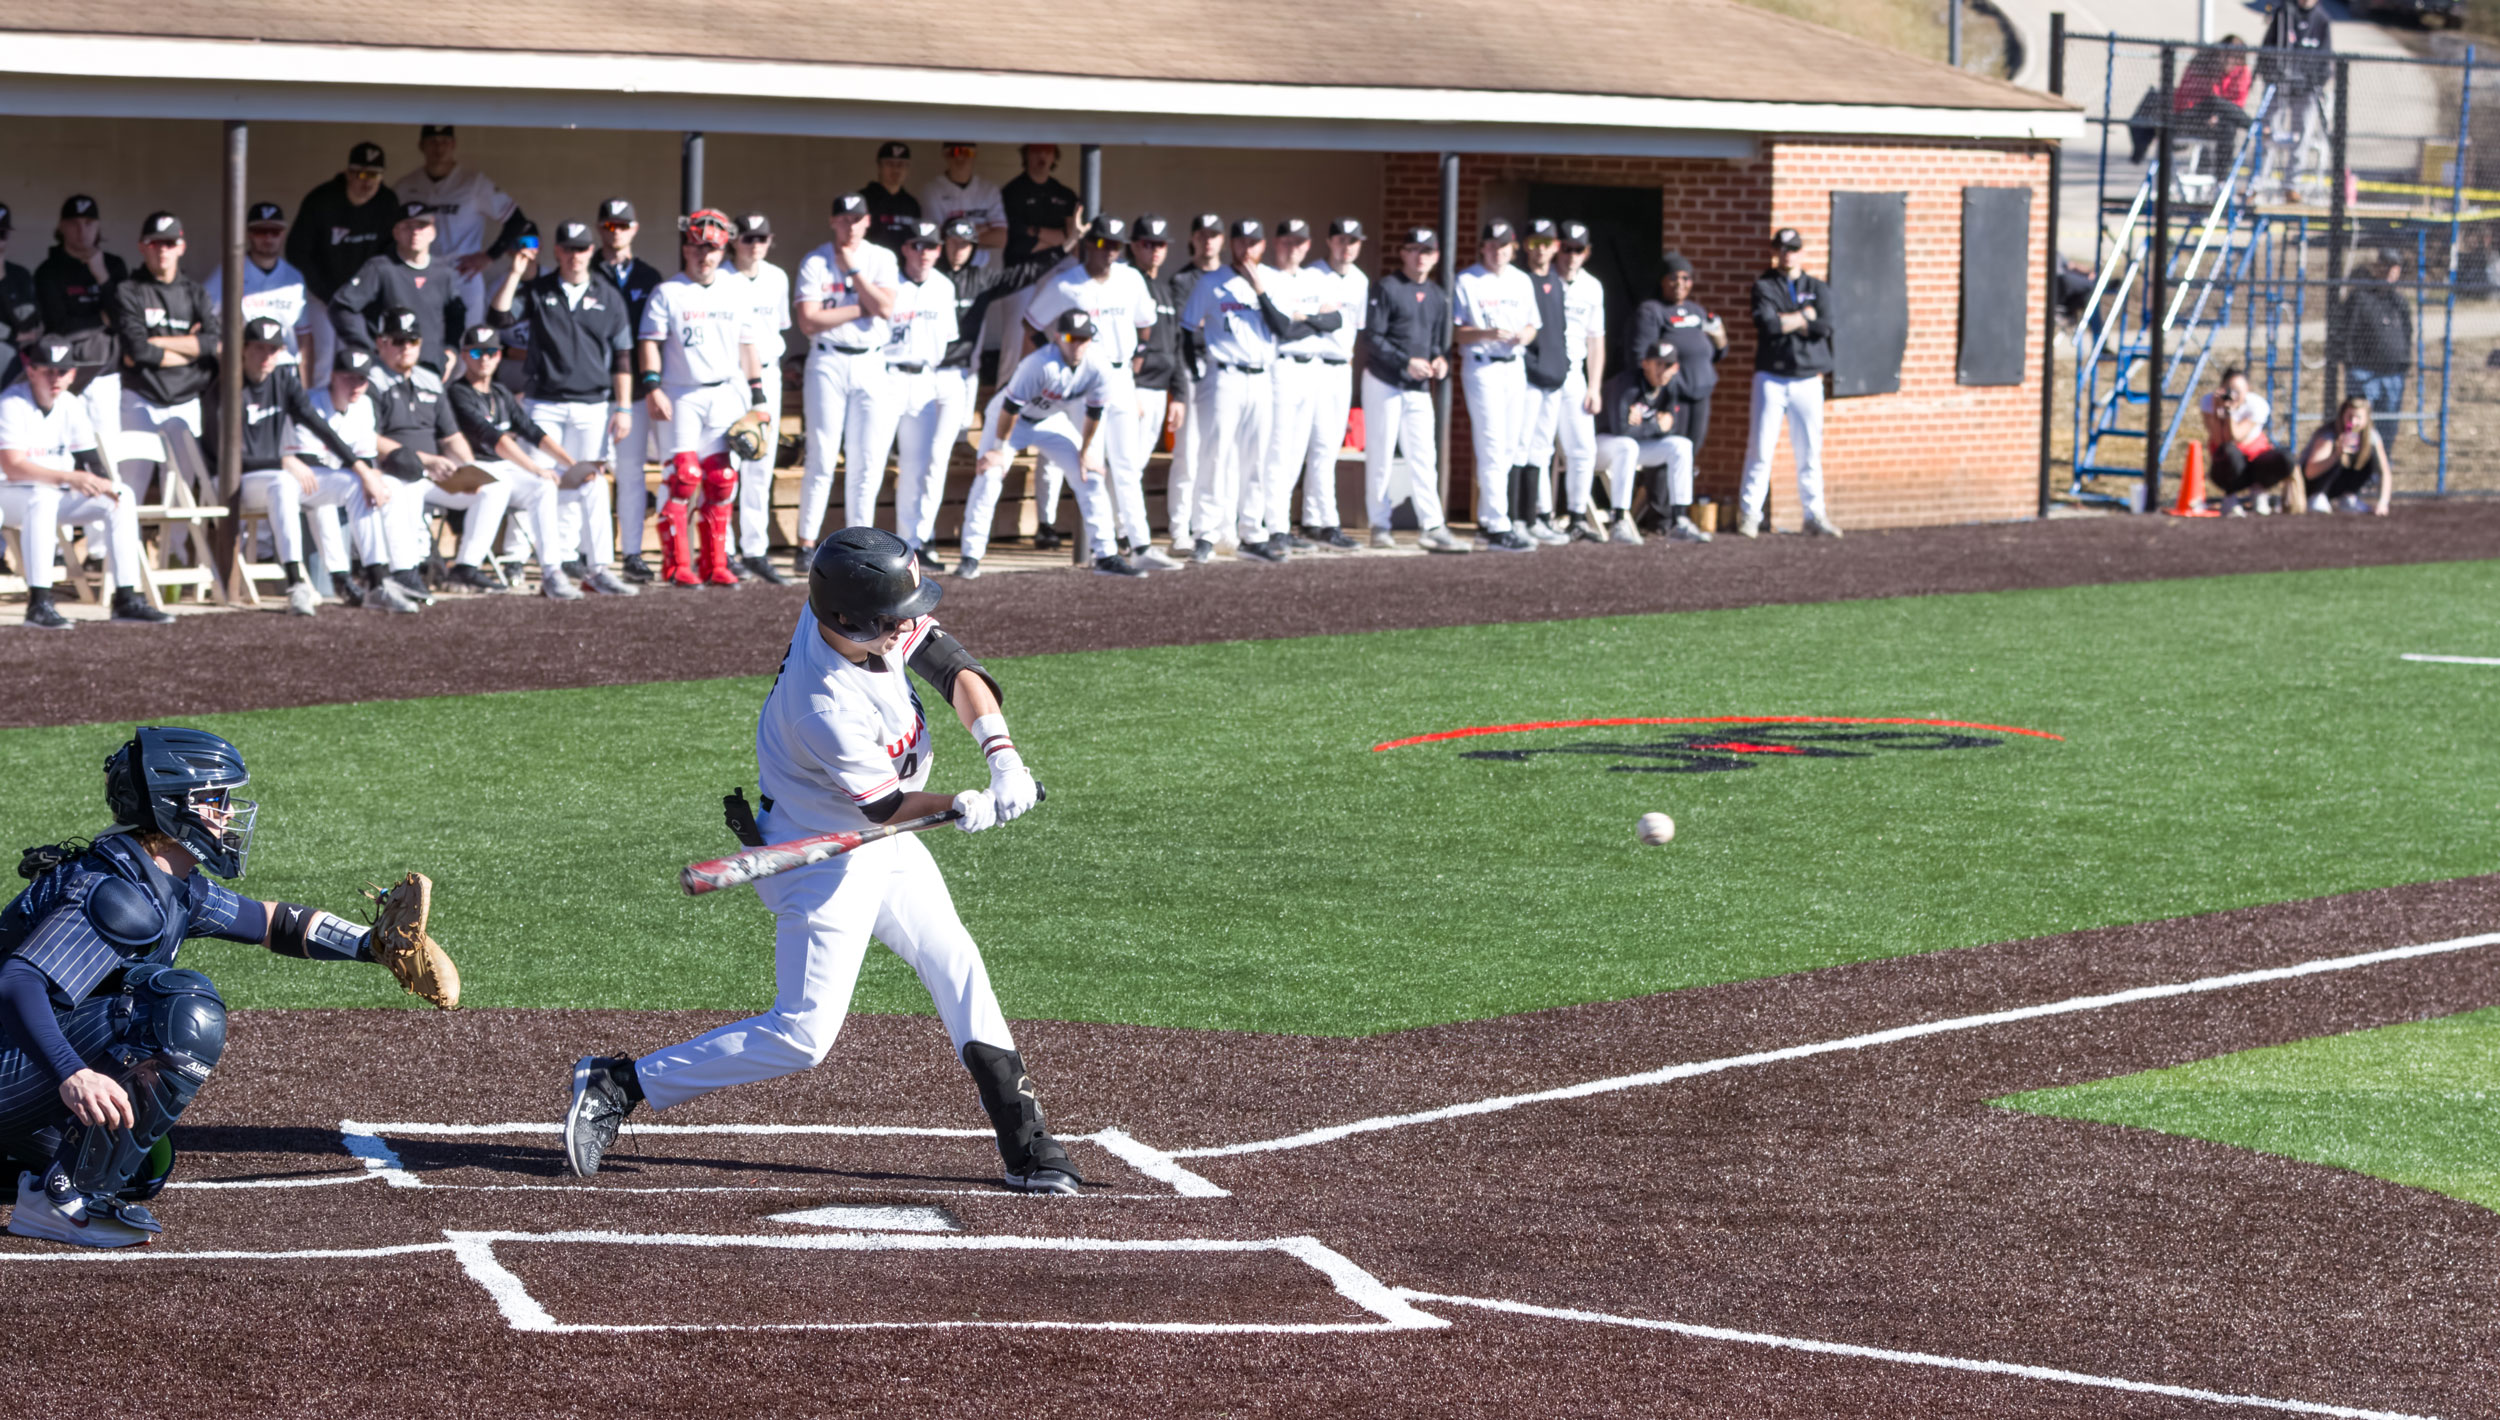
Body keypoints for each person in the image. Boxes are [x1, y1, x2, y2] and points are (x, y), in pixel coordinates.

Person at [561, 529, 1079, 1196]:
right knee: (803, 1034)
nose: (907, 626)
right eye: (894, 619)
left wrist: (1001, 754)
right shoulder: (823, 702)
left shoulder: (860, 615)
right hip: (823, 858)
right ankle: (620, 1082)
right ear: (849, 620)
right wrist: (964, 805)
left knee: (956, 963)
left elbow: (951, 664)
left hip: (876, 840)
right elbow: (887, 808)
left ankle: (1028, 1145)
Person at [0, 728, 450, 1247]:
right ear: (174, 807)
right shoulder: (116, 893)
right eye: (216, 799)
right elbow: (18, 981)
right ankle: (61, 1202)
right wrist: (73, 1074)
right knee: (180, 1007)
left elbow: (269, 922)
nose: (229, 813)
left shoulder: (168, 880)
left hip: (18, 1065)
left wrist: (370, 945)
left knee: (142, 1165)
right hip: (19, 1059)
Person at [488, 219, 640, 597]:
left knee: (591, 483)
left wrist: (624, 408)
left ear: (592, 251)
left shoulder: (608, 294)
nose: (575, 256)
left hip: (593, 404)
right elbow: (499, 318)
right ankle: (544, 567)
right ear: (557, 251)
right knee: (542, 480)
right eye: (568, 248)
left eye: (582, 248)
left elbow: (623, 357)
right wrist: (515, 273)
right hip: (544, 403)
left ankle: (598, 567)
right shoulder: (538, 290)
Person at [1022, 216, 1170, 566]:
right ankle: (1099, 548)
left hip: (1121, 374)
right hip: (1087, 379)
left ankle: (1141, 545)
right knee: (1092, 463)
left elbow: (1146, 324)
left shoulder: (1131, 278)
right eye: (1103, 243)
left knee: (1127, 463)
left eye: (1116, 245)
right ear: (1090, 244)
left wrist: (1137, 362)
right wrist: (1059, 362)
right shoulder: (1066, 285)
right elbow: (1030, 323)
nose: (1110, 252)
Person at [641, 209, 771, 589]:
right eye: (697, 246)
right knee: (682, 477)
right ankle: (676, 564)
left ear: (723, 249)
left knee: (721, 478)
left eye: (712, 248)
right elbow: (649, 341)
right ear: (686, 247)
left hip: (725, 391)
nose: (705, 255)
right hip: (681, 393)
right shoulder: (668, 292)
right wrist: (653, 387)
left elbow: (748, 346)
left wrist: (757, 397)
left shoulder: (735, 292)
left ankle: (715, 563)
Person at [0, 338, 170, 628]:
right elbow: (12, 466)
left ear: (73, 374)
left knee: (121, 496)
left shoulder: (70, 403)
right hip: (12, 494)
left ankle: (126, 598)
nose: (56, 378)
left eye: (63, 371)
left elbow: (90, 459)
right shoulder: (12, 402)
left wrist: (102, 482)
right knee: (41, 499)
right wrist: (69, 477)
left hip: (55, 492)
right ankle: (39, 603)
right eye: (49, 371)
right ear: (32, 371)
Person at [957, 311, 1133, 579]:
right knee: (990, 474)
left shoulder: (1098, 365)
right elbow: (1010, 407)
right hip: (1009, 421)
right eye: (1071, 337)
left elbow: (1095, 412)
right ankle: (970, 556)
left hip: (1050, 420)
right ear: (1057, 337)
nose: (1077, 344)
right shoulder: (1039, 363)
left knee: (1091, 475)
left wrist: (1086, 452)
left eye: (1084, 338)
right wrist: (998, 448)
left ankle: (1106, 554)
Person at [230, 316, 379, 615]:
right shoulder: (229, 385)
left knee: (353, 482)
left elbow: (318, 425)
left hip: (277, 475)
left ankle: (378, 580)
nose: (267, 356)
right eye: (259, 348)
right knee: (285, 481)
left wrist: (362, 469)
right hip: (239, 480)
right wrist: (283, 460)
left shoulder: (284, 380)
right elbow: (223, 455)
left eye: (273, 350)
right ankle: (296, 583)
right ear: (244, 349)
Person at [794, 193, 900, 562]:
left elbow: (886, 308)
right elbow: (808, 320)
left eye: (857, 219)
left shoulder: (881, 257)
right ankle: (806, 543)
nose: (850, 225)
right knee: (822, 455)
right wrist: (861, 308)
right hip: (828, 360)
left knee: (866, 459)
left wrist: (854, 272)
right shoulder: (816, 261)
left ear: (867, 221)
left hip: (871, 361)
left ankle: (861, 545)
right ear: (832, 220)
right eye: (843, 218)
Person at [368, 305, 497, 598]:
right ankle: (406, 571)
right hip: (393, 470)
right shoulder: (371, 379)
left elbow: (451, 436)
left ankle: (466, 567)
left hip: (435, 473)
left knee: (493, 488)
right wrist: (425, 460)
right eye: (398, 340)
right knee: (407, 483)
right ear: (381, 342)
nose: (406, 348)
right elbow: (368, 437)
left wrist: (469, 467)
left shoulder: (429, 379)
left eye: (411, 341)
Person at [284, 347, 424, 612]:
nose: (357, 385)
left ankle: (396, 573)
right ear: (334, 376)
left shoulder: (365, 405)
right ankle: (341, 577)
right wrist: (365, 476)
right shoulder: (312, 400)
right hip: (300, 475)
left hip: (339, 476)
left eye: (362, 379)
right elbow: (310, 461)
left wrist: (371, 478)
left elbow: (367, 458)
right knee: (339, 492)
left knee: (386, 487)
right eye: (349, 377)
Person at [857, 220, 959, 572]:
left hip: (925, 378)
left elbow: (946, 339)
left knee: (918, 467)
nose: (924, 253)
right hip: (888, 375)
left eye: (931, 246)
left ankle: (912, 546)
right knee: (872, 462)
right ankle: (860, 547)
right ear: (905, 249)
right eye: (917, 245)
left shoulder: (944, 286)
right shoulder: (890, 284)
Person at [446, 325, 577, 598]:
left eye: (491, 352)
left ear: (499, 355)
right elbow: (493, 438)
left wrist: (570, 465)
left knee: (543, 486)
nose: (484, 359)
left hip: (501, 467)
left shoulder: (500, 392)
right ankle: (466, 565)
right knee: (508, 483)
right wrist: (536, 467)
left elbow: (532, 430)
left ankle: (552, 570)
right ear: (464, 355)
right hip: (469, 466)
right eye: (476, 352)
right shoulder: (458, 392)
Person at [1360, 227, 1467, 554]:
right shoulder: (1387, 288)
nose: (1421, 257)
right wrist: (1405, 361)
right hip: (1384, 381)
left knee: (1424, 456)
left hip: (1419, 387)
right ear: (1403, 253)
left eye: (1428, 251)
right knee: (1381, 454)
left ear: (1436, 256)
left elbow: (1438, 343)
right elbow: (1373, 339)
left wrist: (1440, 361)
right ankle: (1379, 524)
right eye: (1415, 250)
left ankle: (1432, 525)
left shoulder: (1438, 296)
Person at [1178, 219, 1279, 563]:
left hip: (1262, 375)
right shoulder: (1210, 282)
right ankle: (1205, 534)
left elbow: (1285, 327)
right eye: (1241, 242)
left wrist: (1260, 288)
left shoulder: (1273, 280)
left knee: (1256, 458)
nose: (1246, 249)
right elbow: (1186, 330)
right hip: (1225, 374)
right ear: (1232, 244)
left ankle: (1252, 533)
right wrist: (1196, 372)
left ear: (1262, 246)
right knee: (1215, 454)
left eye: (1253, 242)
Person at [1741, 226, 1840, 539]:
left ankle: (1814, 515)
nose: (1787, 254)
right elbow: (1768, 325)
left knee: (1809, 450)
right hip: (1771, 376)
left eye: (1793, 248)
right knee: (1761, 448)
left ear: (1801, 251)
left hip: (1808, 378)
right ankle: (1749, 515)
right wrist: (1803, 317)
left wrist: (1791, 320)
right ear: (1774, 251)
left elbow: (1825, 326)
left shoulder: (1817, 287)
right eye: (1782, 248)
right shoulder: (1764, 285)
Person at [587, 199, 668, 582]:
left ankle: (632, 552)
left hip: (633, 391)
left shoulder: (650, 277)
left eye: (622, 225)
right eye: (608, 225)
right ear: (600, 229)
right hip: (590, 389)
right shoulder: (585, 271)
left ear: (634, 229)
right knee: (591, 473)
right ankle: (590, 554)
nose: (614, 231)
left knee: (632, 474)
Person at [1256, 218, 1345, 559]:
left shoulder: (1315, 278)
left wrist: (1303, 318)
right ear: (1276, 243)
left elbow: (1336, 320)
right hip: (1282, 366)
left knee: (1297, 452)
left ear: (1308, 246)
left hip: (1314, 368)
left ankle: (1283, 524)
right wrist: (1312, 320)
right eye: (1287, 241)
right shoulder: (1266, 276)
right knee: (1278, 451)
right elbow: (1279, 329)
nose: (1292, 247)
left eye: (1299, 242)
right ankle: (1275, 527)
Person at [1454, 218, 1539, 552]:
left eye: (1503, 246)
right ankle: (1497, 523)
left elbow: (1533, 324)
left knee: (1509, 445)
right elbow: (1456, 331)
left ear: (1512, 248)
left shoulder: (1521, 281)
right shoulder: (1468, 280)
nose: (1497, 252)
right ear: (1482, 247)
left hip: (1514, 365)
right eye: (1491, 245)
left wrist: (1524, 335)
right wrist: (1487, 334)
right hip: (1482, 365)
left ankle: (1491, 519)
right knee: (1490, 442)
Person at [394, 125, 529, 331]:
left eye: (445, 142)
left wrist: (490, 256)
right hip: (418, 273)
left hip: (462, 274)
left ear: (454, 145)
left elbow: (517, 220)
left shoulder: (473, 183)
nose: (439, 149)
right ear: (421, 146)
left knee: (466, 343)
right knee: (418, 340)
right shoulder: (405, 185)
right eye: (432, 142)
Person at [110, 212, 220, 463]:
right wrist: (190, 350)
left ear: (181, 247)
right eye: (155, 243)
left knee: (182, 485)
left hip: (187, 400)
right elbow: (137, 351)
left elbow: (212, 343)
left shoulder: (196, 293)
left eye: (169, 244)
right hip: (141, 397)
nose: (162, 251)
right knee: (133, 481)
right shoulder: (129, 290)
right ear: (141, 247)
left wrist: (157, 343)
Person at [288, 142, 401, 385]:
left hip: (363, 300)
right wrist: (328, 294)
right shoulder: (322, 200)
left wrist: (369, 294)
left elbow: (390, 252)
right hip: (323, 295)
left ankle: (356, 414)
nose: (367, 182)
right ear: (348, 173)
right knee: (323, 357)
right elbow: (297, 252)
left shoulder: (387, 202)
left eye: (374, 175)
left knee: (360, 355)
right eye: (360, 174)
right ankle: (318, 414)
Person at [721, 213, 794, 584]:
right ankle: (725, 550)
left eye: (761, 239)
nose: (754, 245)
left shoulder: (777, 277)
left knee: (761, 464)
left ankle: (755, 549)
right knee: (729, 464)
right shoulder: (721, 276)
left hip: (769, 371)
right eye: (748, 238)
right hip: (731, 376)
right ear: (735, 240)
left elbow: (779, 326)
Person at [1629, 252, 1725, 527]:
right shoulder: (1652, 311)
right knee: (1666, 453)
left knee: (1690, 453)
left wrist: (1721, 339)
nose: (1679, 283)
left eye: (1685, 278)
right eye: (1673, 277)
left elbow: (1717, 349)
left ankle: (1678, 512)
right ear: (1662, 280)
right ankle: (1659, 516)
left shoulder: (1696, 311)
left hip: (1701, 392)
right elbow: (1640, 355)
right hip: (1673, 395)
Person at [1292, 217, 1368, 550]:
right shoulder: (1311, 276)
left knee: (1327, 448)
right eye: (1341, 240)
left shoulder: (1361, 280)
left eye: (1353, 241)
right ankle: (1321, 521)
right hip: (1314, 365)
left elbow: (1355, 328)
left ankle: (1315, 521)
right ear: (1330, 241)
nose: (1347, 246)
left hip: (1341, 367)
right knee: (1302, 448)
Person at [33, 196, 130, 449]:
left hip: (105, 376)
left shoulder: (113, 266)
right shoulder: (48, 270)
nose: (82, 230)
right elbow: (59, 326)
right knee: (62, 453)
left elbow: (125, 319)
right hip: (63, 376)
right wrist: (102, 318)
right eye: (74, 223)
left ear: (98, 226)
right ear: (61, 227)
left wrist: (102, 276)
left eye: (88, 223)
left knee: (106, 453)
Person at [1597, 341, 1713, 545]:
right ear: (1645, 363)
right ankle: (1620, 522)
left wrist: (1647, 425)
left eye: (1668, 365)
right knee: (1627, 445)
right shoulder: (1626, 384)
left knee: (1681, 446)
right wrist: (1657, 425)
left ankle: (1679, 521)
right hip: (1601, 445)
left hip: (1634, 445)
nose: (1663, 371)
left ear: (1676, 367)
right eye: (1657, 364)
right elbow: (1621, 429)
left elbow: (1672, 427)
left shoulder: (1671, 386)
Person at [331, 201, 464, 377]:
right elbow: (341, 306)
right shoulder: (380, 267)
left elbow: (456, 316)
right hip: (388, 371)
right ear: (395, 232)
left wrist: (451, 350)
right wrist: (368, 347)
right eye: (407, 227)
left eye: (422, 226)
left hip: (431, 368)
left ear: (433, 232)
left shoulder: (444, 273)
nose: (415, 232)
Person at [1162, 213, 1225, 560]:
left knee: (1217, 454)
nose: (1208, 241)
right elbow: (1184, 329)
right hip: (1190, 367)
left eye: (1214, 235)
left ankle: (1210, 529)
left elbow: (1227, 326)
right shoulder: (1182, 280)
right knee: (1187, 453)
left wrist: (1208, 322)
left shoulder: (1229, 278)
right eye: (1202, 235)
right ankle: (1179, 530)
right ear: (1193, 238)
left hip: (1222, 369)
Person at [1509, 219, 1572, 545]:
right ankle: (1515, 518)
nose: (1541, 250)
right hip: (1528, 378)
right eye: (1535, 243)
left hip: (1554, 378)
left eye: (1546, 243)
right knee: (1520, 446)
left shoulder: (1558, 283)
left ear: (1555, 246)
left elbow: (1558, 331)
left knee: (1541, 450)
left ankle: (1533, 519)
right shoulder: (1520, 282)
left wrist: (1562, 365)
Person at [1547, 221, 1610, 542]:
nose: (1572, 256)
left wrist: (1595, 386)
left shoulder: (1592, 287)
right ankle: (1541, 515)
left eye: (1579, 250)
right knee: (1540, 448)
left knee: (1583, 448)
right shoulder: (1543, 280)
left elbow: (1595, 339)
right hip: (1544, 373)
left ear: (1587, 253)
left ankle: (1575, 515)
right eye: (1567, 249)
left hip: (1575, 374)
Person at [204, 203, 315, 371]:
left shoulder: (294, 278)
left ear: (283, 234)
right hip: (243, 366)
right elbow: (204, 316)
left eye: (275, 232)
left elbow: (304, 336)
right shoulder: (229, 271)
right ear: (249, 234)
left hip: (283, 366)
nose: (268, 238)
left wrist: (306, 389)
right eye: (261, 232)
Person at [2130, 38, 2253, 164]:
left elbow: (2237, 102)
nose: (2231, 61)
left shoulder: (2241, 71)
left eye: (2235, 58)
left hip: (2215, 123)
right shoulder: (2203, 63)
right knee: (2214, 102)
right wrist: (2213, 112)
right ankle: (2252, 125)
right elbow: (2201, 97)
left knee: (2228, 125)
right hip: (2187, 116)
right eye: (2227, 56)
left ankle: (2221, 180)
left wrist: (2218, 115)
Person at [2257, 0, 2332, 199]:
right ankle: (2258, 183)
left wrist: (2311, 81)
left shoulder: (2322, 20)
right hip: (2280, 85)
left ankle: (2292, 185)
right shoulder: (2284, 14)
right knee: (2266, 132)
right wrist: (2272, 75)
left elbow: (2325, 63)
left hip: (2305, 90)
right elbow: (2267, 49)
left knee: (2302, 133)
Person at [2337, 250, 2409, 455]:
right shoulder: (2360, 298)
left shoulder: (2399, 302)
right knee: (2357, 422)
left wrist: (2403, 363)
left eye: (2394, 268)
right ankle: (2355, 463)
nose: (2389, 272)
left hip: (2393, 373)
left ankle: (2381, 464)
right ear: (2377, 267)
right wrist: (2351, 363)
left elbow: (2408, 332)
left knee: (2388, 423)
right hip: (2363, 372)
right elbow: (2347, 331)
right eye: (2385, 266)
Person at [2199, 366, 2295, 515]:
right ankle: (2230, 496)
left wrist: (2229, 413)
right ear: (2221, 388)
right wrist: (2219, 411)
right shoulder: (2209, 402)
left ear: (2247, 390)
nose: (2233, 395)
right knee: (2228, 451)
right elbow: (2220, 441)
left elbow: (2237, 437)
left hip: (2256, 463)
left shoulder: (2257, 405)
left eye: (2238, 391)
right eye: (2230, 390)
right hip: (2229, 468)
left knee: (2286, 458)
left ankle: (2259, 490)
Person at [2298, 395, 2393, 516]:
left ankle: (2348, 496)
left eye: (2358, 417)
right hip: (2311, 487)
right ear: (2342, 415)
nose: (2353, 422)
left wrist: (2383, 502)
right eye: (2349, 417)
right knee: (2339, 458)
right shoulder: (2328, 434)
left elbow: (2384, 471)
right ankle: (2318, 496)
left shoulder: (2371, 437)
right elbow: (2309, 472)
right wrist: (2337, 454)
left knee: (2369, 455)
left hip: (2341, 486)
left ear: (2366, 419)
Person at [918, 143, 1008, 254]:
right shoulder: (932, 190)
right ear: (945, 155)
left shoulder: (989, 190)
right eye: (954, 152)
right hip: (946, 265)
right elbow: (933, 236)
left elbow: (1001, 238)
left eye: (966, 152)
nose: (960, 157)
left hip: (981, 267)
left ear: (975, 154)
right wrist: (978, 231)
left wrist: (954, 235)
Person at [1000, 144, 1080, 267]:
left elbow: (1073, 236)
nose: (1042, 155)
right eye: (1036, 150)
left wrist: (1036, 232)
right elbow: (1017, 240)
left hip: (1057, 269)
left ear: (1054, 156)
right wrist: (1060, 241)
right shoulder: (1011, 192)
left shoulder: (1065, 194)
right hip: (1022, 270)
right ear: (1026, 154)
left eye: (1048, 151)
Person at [860, 142, 922, 254]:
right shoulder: (863, 199)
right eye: (889, 164)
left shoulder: (912, 204)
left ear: (908, 168)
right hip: (871, 267)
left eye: (901, 164)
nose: (896, 169)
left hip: (903, 269)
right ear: (879, 166)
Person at [0, 203, 38, 385]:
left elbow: (29, 327)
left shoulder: (18, 275)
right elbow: (19, 334)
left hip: (10, 373)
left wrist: (3, 280)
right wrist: (11, 335)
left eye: (1, 235)